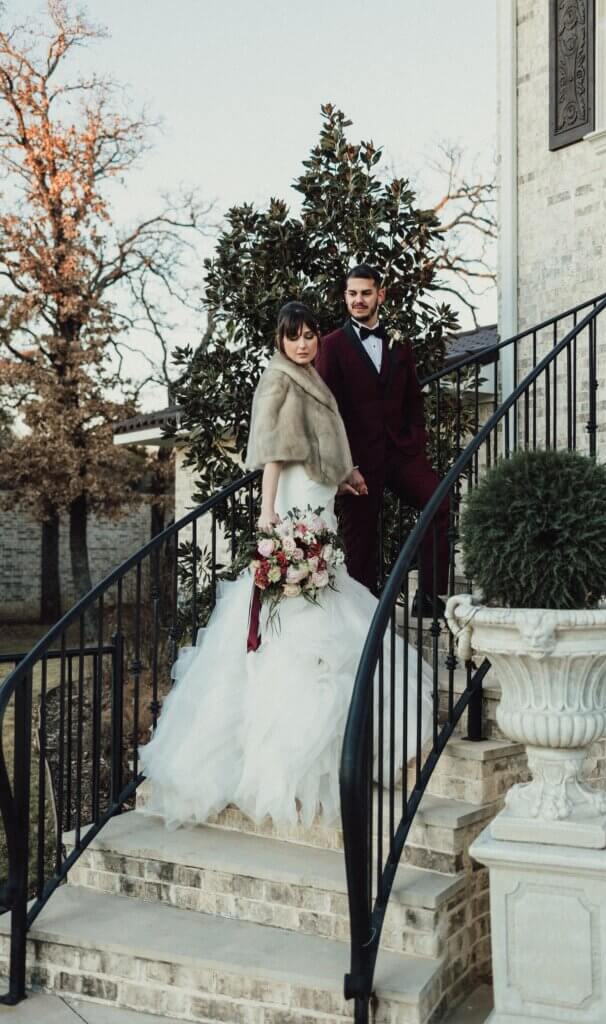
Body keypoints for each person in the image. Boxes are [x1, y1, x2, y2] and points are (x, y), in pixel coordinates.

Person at [139, 301, 432, 831]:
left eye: (309, 335)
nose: (302, 344)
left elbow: (316, 448)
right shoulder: (279, 381)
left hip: (319, 505)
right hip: (294, 510)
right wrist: (269, 519)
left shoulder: (309, 378)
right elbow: (275, 455)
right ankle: (294, 765)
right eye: (292, 337)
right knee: (299, 627)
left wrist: (343, 478)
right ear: (279, 341)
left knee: (335, 608)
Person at [316, 265, 449, 613]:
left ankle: (430, 598)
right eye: (352, 294)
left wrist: (415, 444)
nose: (358, 300)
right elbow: (325, 411)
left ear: (380, 295)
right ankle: (367, 623)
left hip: (401, 454)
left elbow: (413, 399)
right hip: (357, 462)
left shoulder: (399, 344)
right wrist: (343, 467)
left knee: (440, 502)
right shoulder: (331, 346)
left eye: (365, 293)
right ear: (345, 296)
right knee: (360, 547)